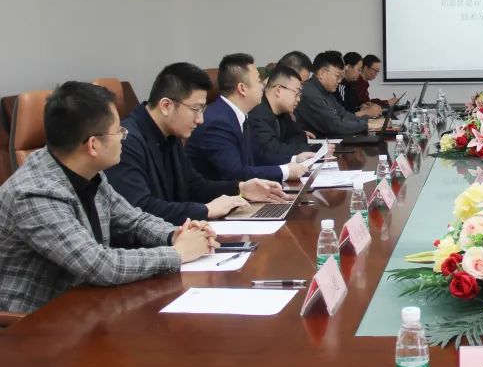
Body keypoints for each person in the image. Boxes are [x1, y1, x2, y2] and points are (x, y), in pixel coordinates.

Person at [0, 82, 218, 314]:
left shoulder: (88, 171)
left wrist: (176, 234)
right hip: (33, 321)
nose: (124, 137)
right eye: (119, 131)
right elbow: (100, 265)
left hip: (86, 305)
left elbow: (134, 220)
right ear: (93, 145)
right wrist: (177, 253)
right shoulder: (34, 193)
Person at [107, 63, 291, 225]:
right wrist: (205, 210)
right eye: (196, 109)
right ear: (166, 106)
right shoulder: (126, 142)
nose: (200, 119)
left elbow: (194, 186)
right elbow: (139, 209)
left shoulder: (170, 133)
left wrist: (241, 189)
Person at [186, 53, 314, 182]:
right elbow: (235, 173)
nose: (263, 86)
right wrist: (285, 171)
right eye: (258, 81)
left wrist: (295, 159)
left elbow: (258, 156)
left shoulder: (239, 115)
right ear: (242, 88)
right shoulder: (218, 122)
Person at [249, 65, 331, 161]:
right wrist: (315, 150)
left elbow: (298, 137)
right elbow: (271, 150)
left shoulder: (283, 113)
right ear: (278, 90)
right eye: (296, 93)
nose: (298, 99)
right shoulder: (257, 113)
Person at [296, 51, 386, 137]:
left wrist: (370, 121)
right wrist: (368, 125)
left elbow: (344, 115)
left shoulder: (325, 91)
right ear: (322, 73)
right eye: (337, 76)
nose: (339, 81)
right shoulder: (311, 94)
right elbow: (334, 125)